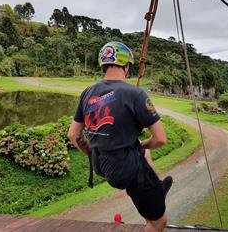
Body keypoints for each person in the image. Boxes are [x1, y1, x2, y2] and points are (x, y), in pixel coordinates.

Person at [68, 41, 173, 232]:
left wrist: (94, 153)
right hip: (126, 169)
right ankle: (152, 193)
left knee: (144, 155)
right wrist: (143, 144)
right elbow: (160, 139)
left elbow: (74, 135)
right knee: (158, 221)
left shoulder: (87, 92)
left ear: (104, 64)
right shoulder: (135, 93)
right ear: (126, 66)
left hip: (101, 165)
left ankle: (155, 186)